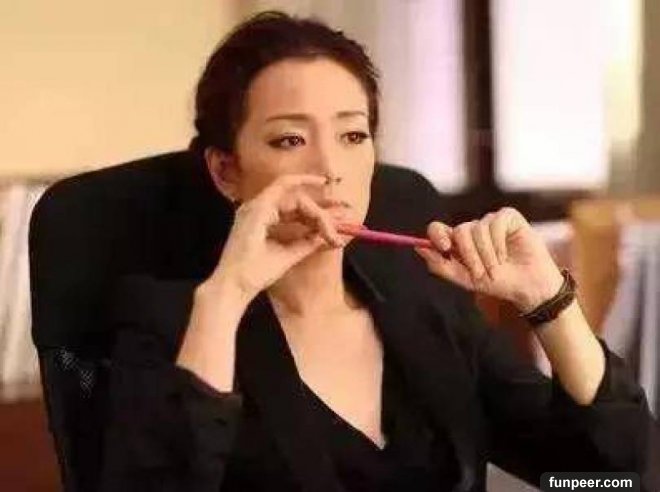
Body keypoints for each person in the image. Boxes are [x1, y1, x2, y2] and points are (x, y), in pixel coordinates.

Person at [99, 11, 658, 492]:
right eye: (290, 139)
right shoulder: (175, 324)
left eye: (353, 135)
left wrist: (548, 300)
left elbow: (614, 478)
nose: (330, 168)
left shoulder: (427, 307)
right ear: (226, 171)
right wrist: (228, 294)